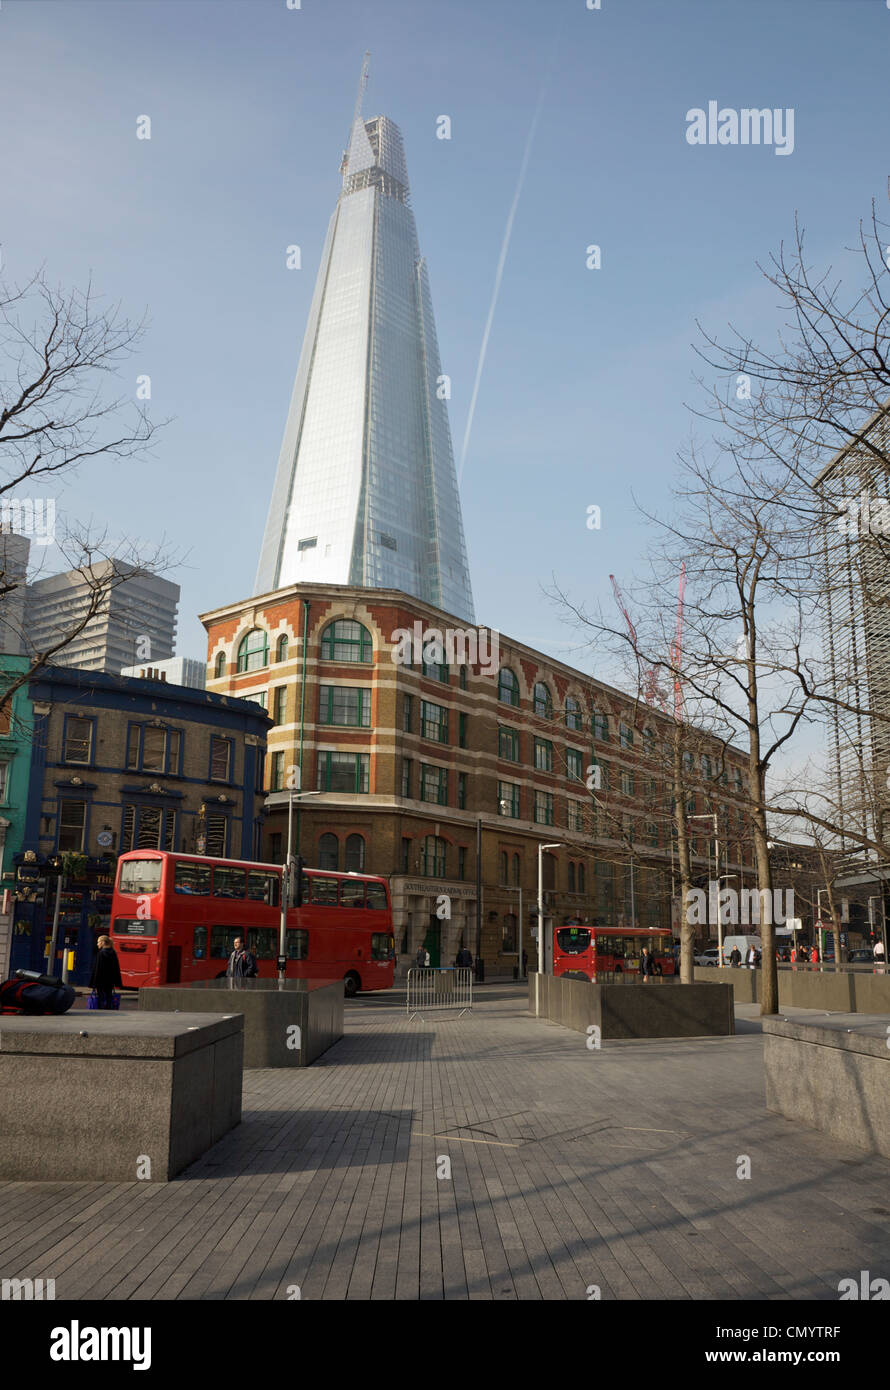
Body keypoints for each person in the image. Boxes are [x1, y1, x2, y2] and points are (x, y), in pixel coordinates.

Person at [90, 935, 122, 1009]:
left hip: (101, 980)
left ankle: (101, 1010)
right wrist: (116, 981)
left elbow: (97, 969)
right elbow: (116, 968)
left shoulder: (101, 954)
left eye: (98, 942)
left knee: (100, 997)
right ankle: (109, 1008)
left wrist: (94, 982)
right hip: (110, 980)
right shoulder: (113, 953)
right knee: (109, 996)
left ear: (103, 943)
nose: (97, 944)